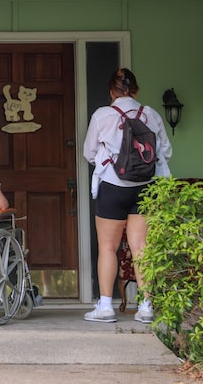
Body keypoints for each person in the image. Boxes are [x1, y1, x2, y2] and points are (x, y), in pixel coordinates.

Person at [82, 68, 172, 323]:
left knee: (108, 247)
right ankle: (146, 307)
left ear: (111, 91)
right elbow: (165, 150)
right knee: (141, 248)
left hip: (113, 185)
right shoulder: (152, 115)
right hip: (146, 186)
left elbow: (89, 152)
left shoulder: (102, 115)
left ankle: (106, 307)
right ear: (136, 90)